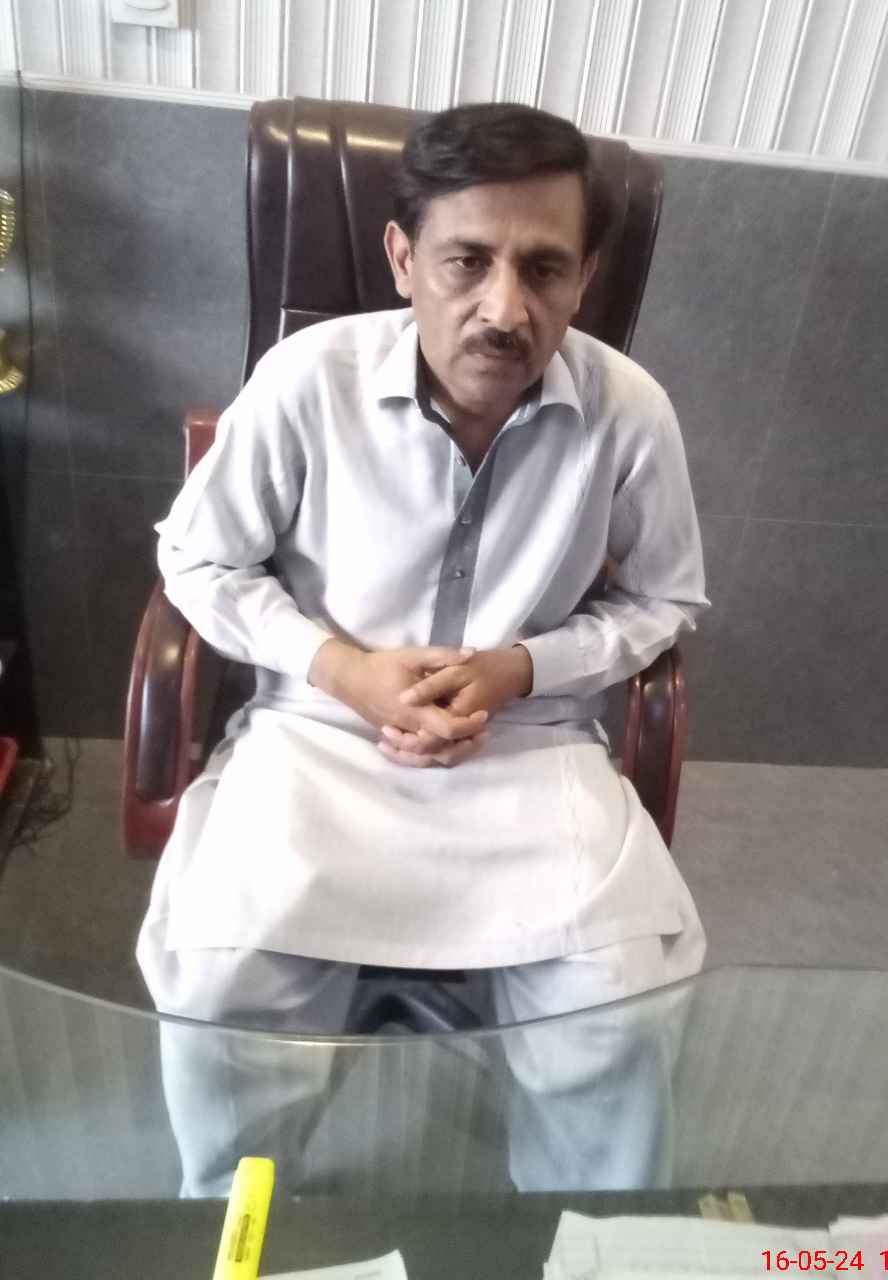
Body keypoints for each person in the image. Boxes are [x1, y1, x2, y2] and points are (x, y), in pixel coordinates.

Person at [136, 102, 709, 1194]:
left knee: (618, 1010)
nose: (506, 309)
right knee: (222, 987)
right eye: (467, 261)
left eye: (545, 269)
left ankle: (589, 1241)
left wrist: (522, 667)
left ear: (585, 276)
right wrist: (342, 668)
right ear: (403, 259)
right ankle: (240, 1221)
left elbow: (666, 597)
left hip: (527, 746)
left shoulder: (630, 410)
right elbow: (197, 561)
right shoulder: (308, 378)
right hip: (321, 736)